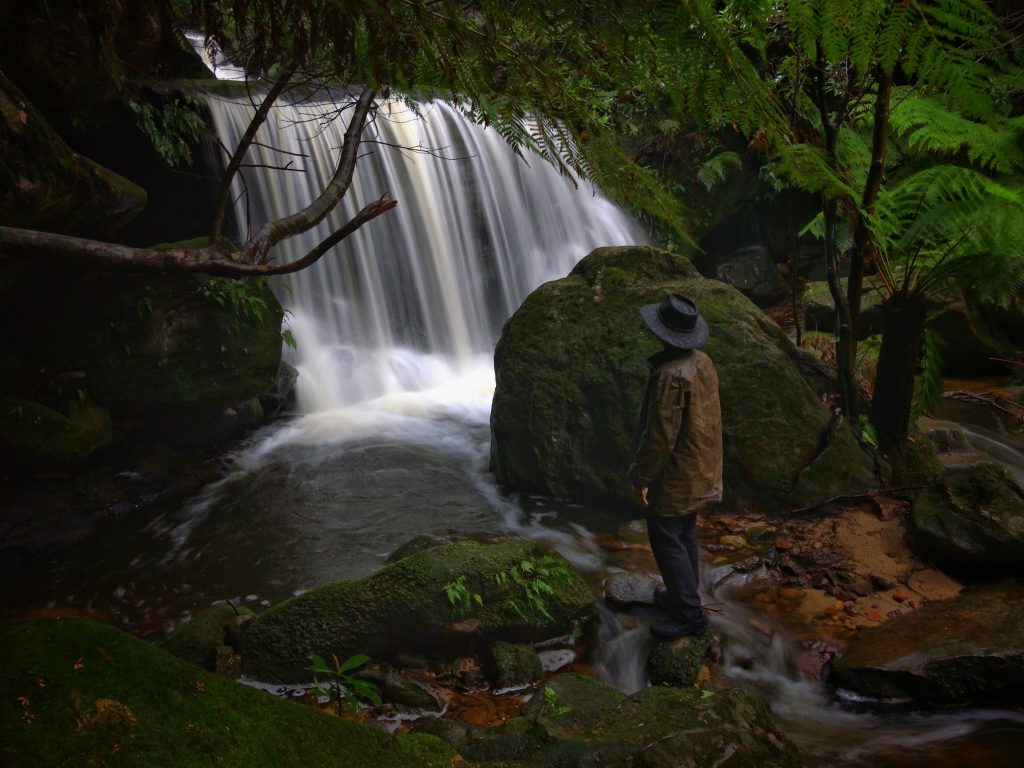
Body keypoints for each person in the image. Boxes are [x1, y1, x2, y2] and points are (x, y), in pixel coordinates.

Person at [628, 293, 723, 640]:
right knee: (685, 531)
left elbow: (660, 436)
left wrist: (642, 475)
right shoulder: (702, 361)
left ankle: (689, 615)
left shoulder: (671, 375)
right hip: (703, 464)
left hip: (677, 471)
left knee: (666, 536)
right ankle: (682, 592)